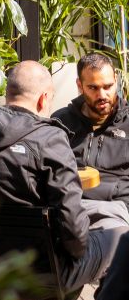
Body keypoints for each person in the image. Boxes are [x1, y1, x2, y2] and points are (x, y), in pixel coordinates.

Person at [0, 60, 129, 300]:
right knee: (120, 238)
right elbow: (74, 237)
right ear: (44, 99)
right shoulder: (50, 138)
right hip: (45, 272)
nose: (102, 94)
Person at [52, 53, 129, 229]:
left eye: (108, 86)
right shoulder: (61, 122)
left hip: (116, 211)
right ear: (80, 85)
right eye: (93, 88)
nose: (102, 95)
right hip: (69, 209)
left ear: (116, 80)